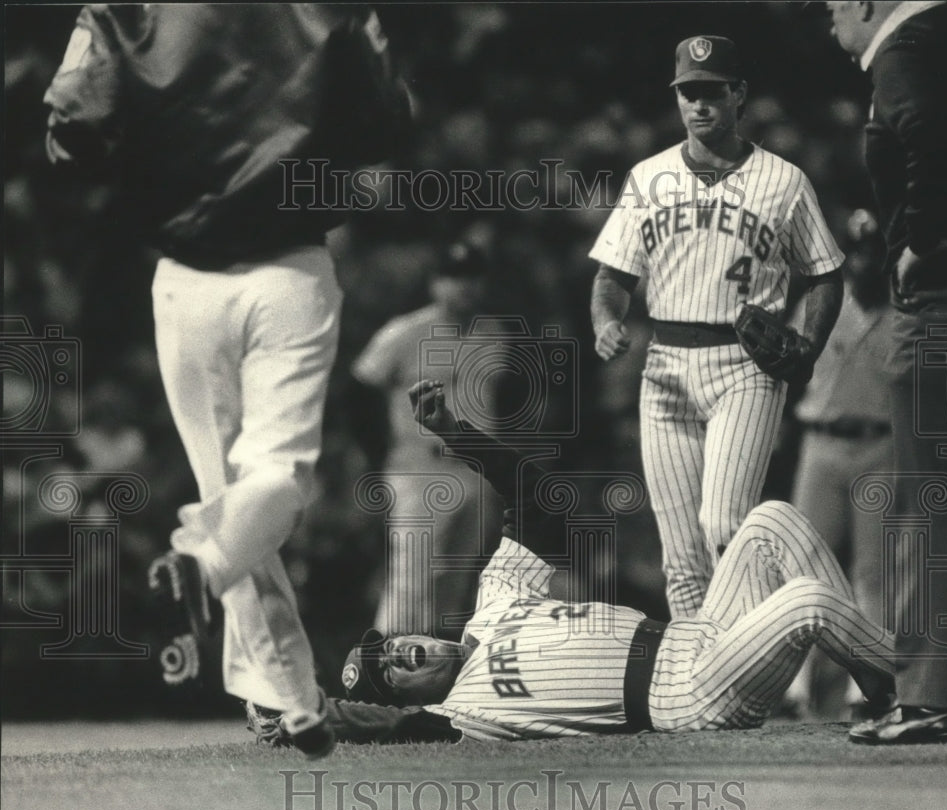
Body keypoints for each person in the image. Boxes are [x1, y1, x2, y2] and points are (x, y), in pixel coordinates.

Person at [43, 4, 412, 758]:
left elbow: (71, 138)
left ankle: (286, 698)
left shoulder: (125, 9)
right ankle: (209, 572)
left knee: (226, 495)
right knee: (273, 480)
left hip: (186, 280)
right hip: (289, 269)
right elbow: (387, 124)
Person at [249, 378, 896, 745]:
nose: (399, 656)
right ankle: (915, 686)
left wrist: (460, 434)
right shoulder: (464, 716)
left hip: (694, 637)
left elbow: (536, 500)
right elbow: (369, 721)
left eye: (388, 648)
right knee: (806, 601)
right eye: (390, 674)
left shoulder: (494, 599)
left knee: (768, 521)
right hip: (687, 695)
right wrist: (295, 708)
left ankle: (878, 687)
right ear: (406, 699)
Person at [589, 35, 844, 621]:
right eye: (689, 94)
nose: (698, 105)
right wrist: (606, 319)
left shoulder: (782, 180)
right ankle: (703, 689)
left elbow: (826, 274)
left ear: (739, 96)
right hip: (665, 366)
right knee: (680, 557)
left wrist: (808, 342)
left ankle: (793, 622)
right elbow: (612, 276)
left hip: (744, 366)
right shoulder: (648, 177)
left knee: (725, 523)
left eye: (711, 93)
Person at [826, 0, 947, 743]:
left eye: (832, 6)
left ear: (868, 2)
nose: (828, 21)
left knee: (935, 502)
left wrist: (920, 239)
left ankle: (931, 695)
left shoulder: (905, 48)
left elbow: (932, 142)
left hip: (944, 302)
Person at [351, 242, 502, 639]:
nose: (463, 288)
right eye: (453, 278)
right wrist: (374, 453)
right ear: (435, 283)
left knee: (457, 581)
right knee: (411, 574)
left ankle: (435, 676)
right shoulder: (405, 332)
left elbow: (512, 401)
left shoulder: (496, 336)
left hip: (477, 469)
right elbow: (359, 390)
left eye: (471, 278)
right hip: (419, 466)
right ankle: (380, 671)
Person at [784, 208, 893, 720]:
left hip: (881, 446)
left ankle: (863, 692)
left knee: (874, 571)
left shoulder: (904, 309)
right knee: (807, 569)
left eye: (874, 251)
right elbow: (782, 366)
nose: (865, 260)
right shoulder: (822, 304)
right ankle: (795, 689)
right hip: (821, 443)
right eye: (858, 251)